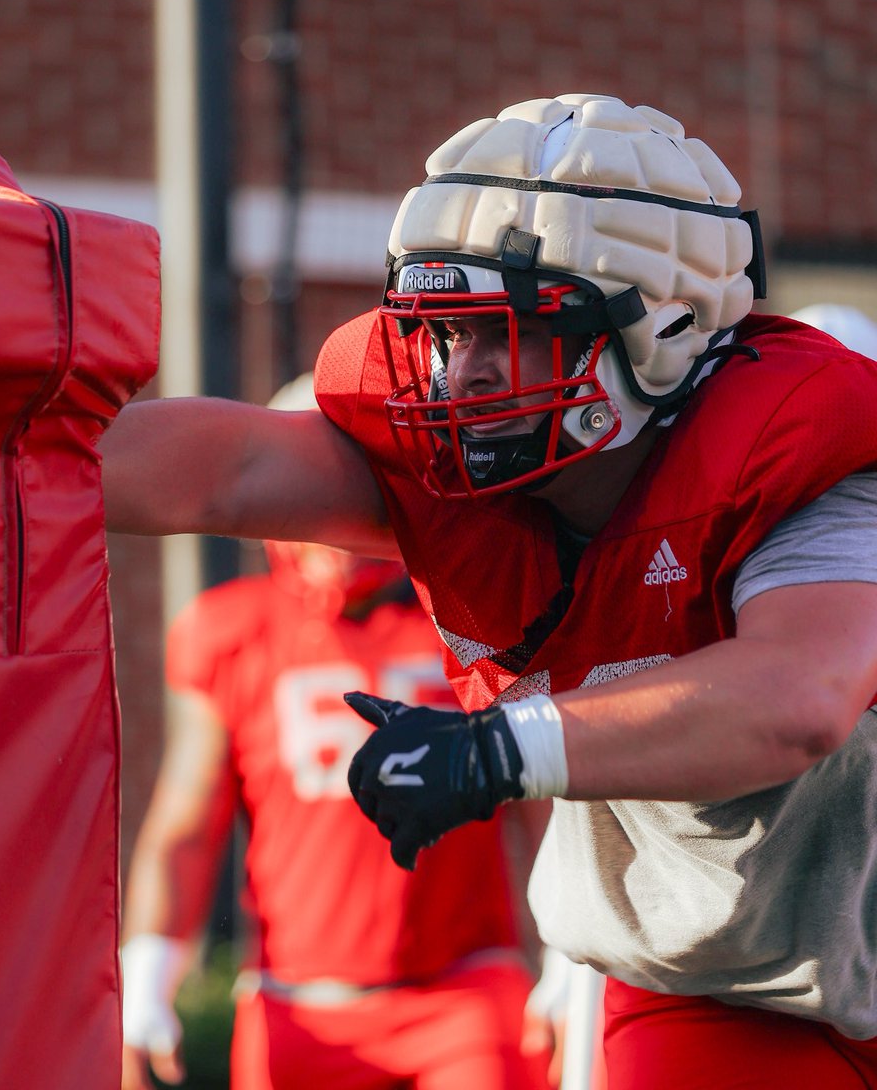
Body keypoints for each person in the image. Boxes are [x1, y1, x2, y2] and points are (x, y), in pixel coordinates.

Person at [102, 94, 877, 1088]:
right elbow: (230, 469)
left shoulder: (803, 458)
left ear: (656, 328)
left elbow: (795, 699)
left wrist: (501, 749)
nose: (458, 375)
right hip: (727, 988)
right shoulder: (464, 483)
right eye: (443, 332)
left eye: (505, 333)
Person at [120, 377, 556, 1090]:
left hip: (463, 996)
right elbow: (189, 823)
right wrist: (148, 970)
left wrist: (571, 954)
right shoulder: (234, 630)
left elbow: (543, 796)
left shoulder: (472, 614)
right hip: (299, 1004)